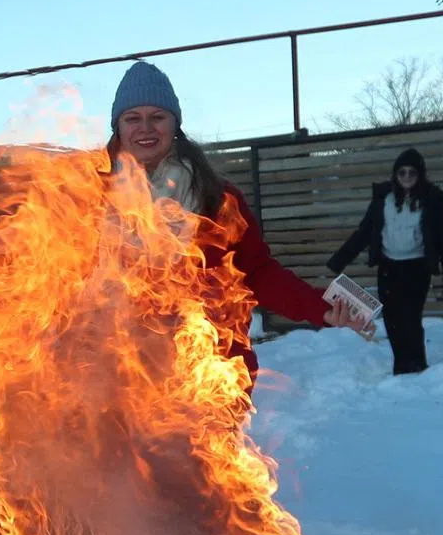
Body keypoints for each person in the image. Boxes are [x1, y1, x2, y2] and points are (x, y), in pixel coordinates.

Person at [106, 61, 370, 383]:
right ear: (118, 128)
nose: (145, 128)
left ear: (174, 125)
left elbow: (257, 273)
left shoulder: (217, 197)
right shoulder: (83, 198)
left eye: (157, 117)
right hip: (118, 380)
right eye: (133, 118)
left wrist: (320, 307)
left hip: (208, 377)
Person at [328, 147, 443, 375]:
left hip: (418, 266)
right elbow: (365, 232)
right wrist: (339, 260)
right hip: (389, 265)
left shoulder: (433, 200)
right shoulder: (383, 199)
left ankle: (417, 364)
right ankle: (402, 366)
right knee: (392, 319)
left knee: (411, 317)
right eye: (402, 173)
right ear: (395, 175)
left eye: (412, 173)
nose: (407, 177)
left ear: (420, 175)